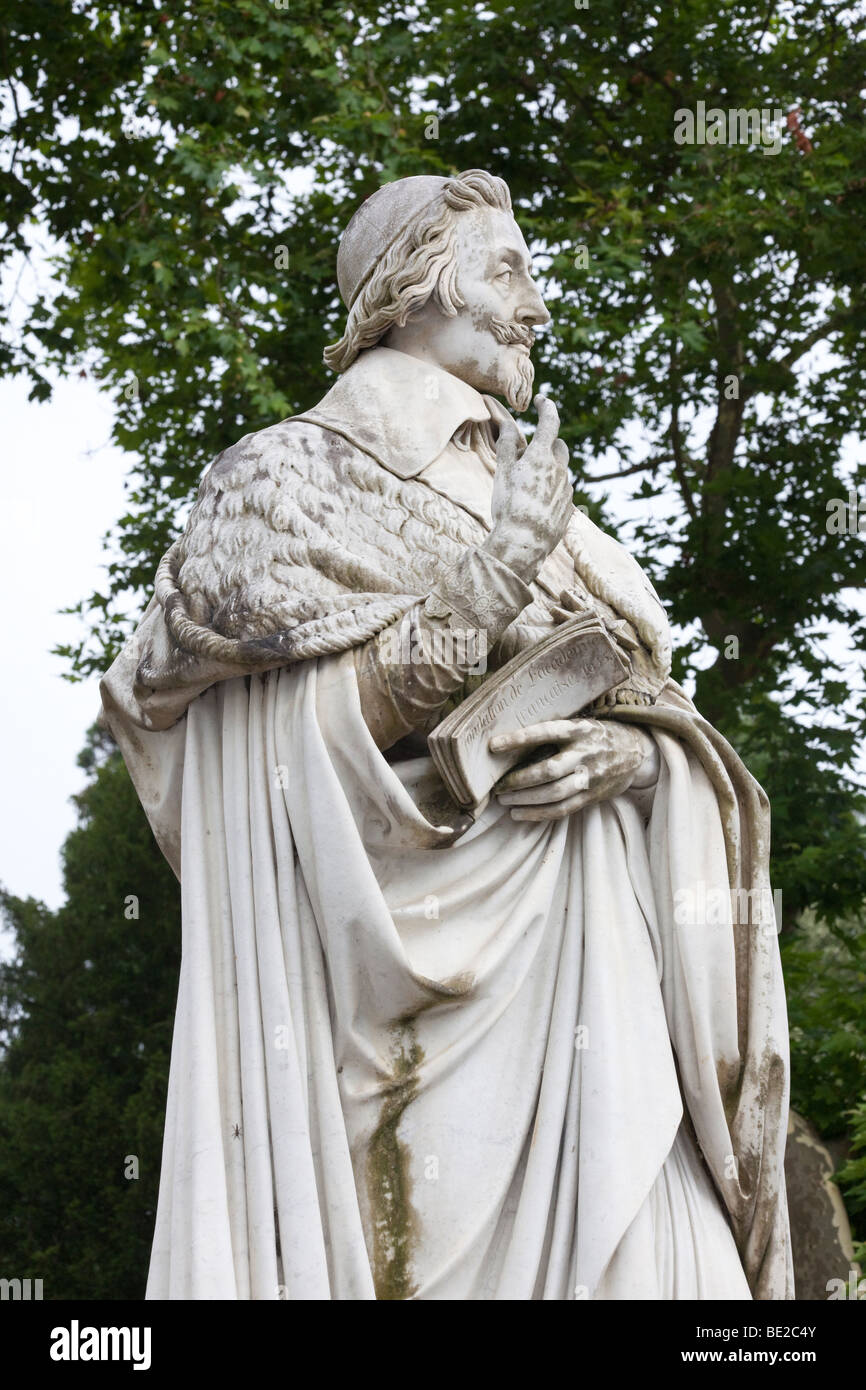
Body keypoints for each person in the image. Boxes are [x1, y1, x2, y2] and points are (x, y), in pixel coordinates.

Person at [100, 169, 793, 1300]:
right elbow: (272, 744)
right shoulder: (285, 478)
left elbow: (649, 710)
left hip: (601, 980)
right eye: (507, 271)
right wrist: (484, 584)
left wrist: (642, 763)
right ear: (414, 287)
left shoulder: (547, 499)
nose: (536, 306)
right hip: (395, 1012)